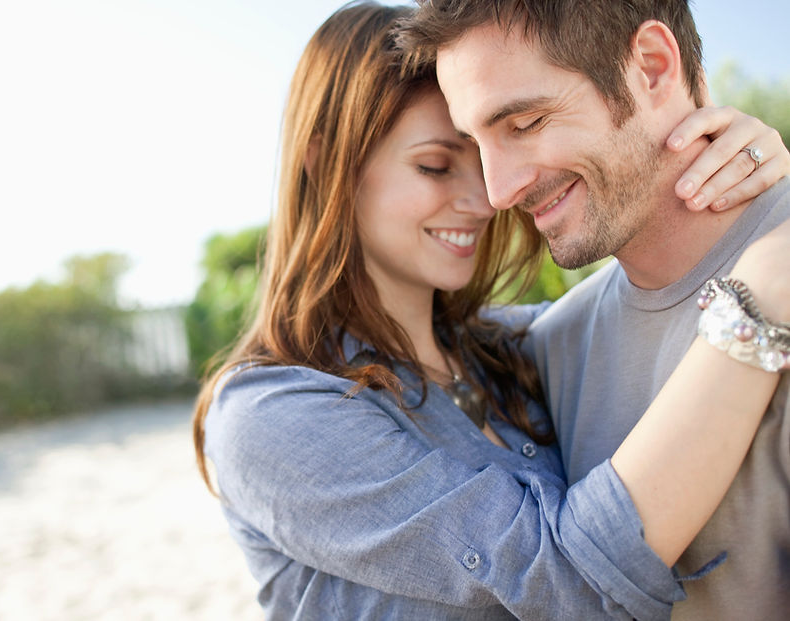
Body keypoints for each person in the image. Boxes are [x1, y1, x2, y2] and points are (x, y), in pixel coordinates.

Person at [193, 3, 790, 619]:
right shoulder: (275, 413)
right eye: (435, 165)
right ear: (327, 165)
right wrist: (757, 298)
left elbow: (649, 283)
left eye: (508, 133)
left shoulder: (510, 351)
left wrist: (760, 184)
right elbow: (560, 579)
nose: (489, 197)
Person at [398, 0, 790, 618]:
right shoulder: (552, 345)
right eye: (476, 142)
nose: (498, 192)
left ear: (655, 69)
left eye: (524, 123)